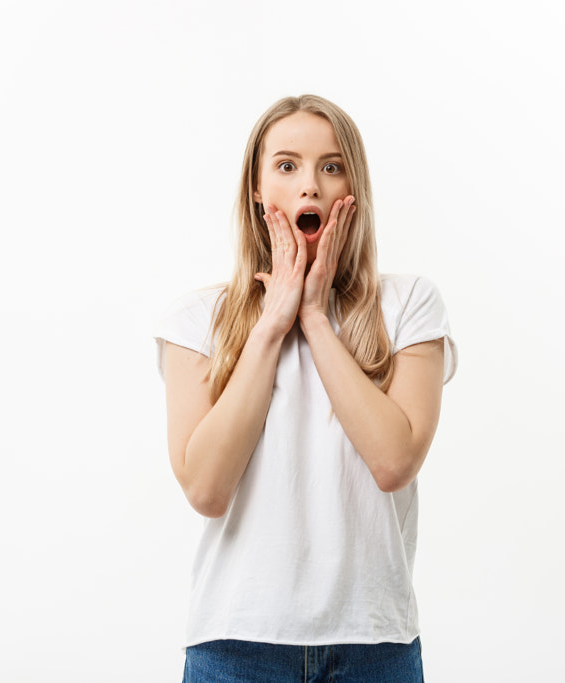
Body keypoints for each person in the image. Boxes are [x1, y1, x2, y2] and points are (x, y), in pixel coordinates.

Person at [155, 94, 457, 682]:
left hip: (374, 645)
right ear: (257, 194)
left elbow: (395, 461)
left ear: (354, 189)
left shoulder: (410, 305)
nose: (310, 186)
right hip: (236, 647)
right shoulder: (197, 320)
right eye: (287, 166)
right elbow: (207, 489)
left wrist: (316, 319)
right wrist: (272, 325)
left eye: (332, 165)